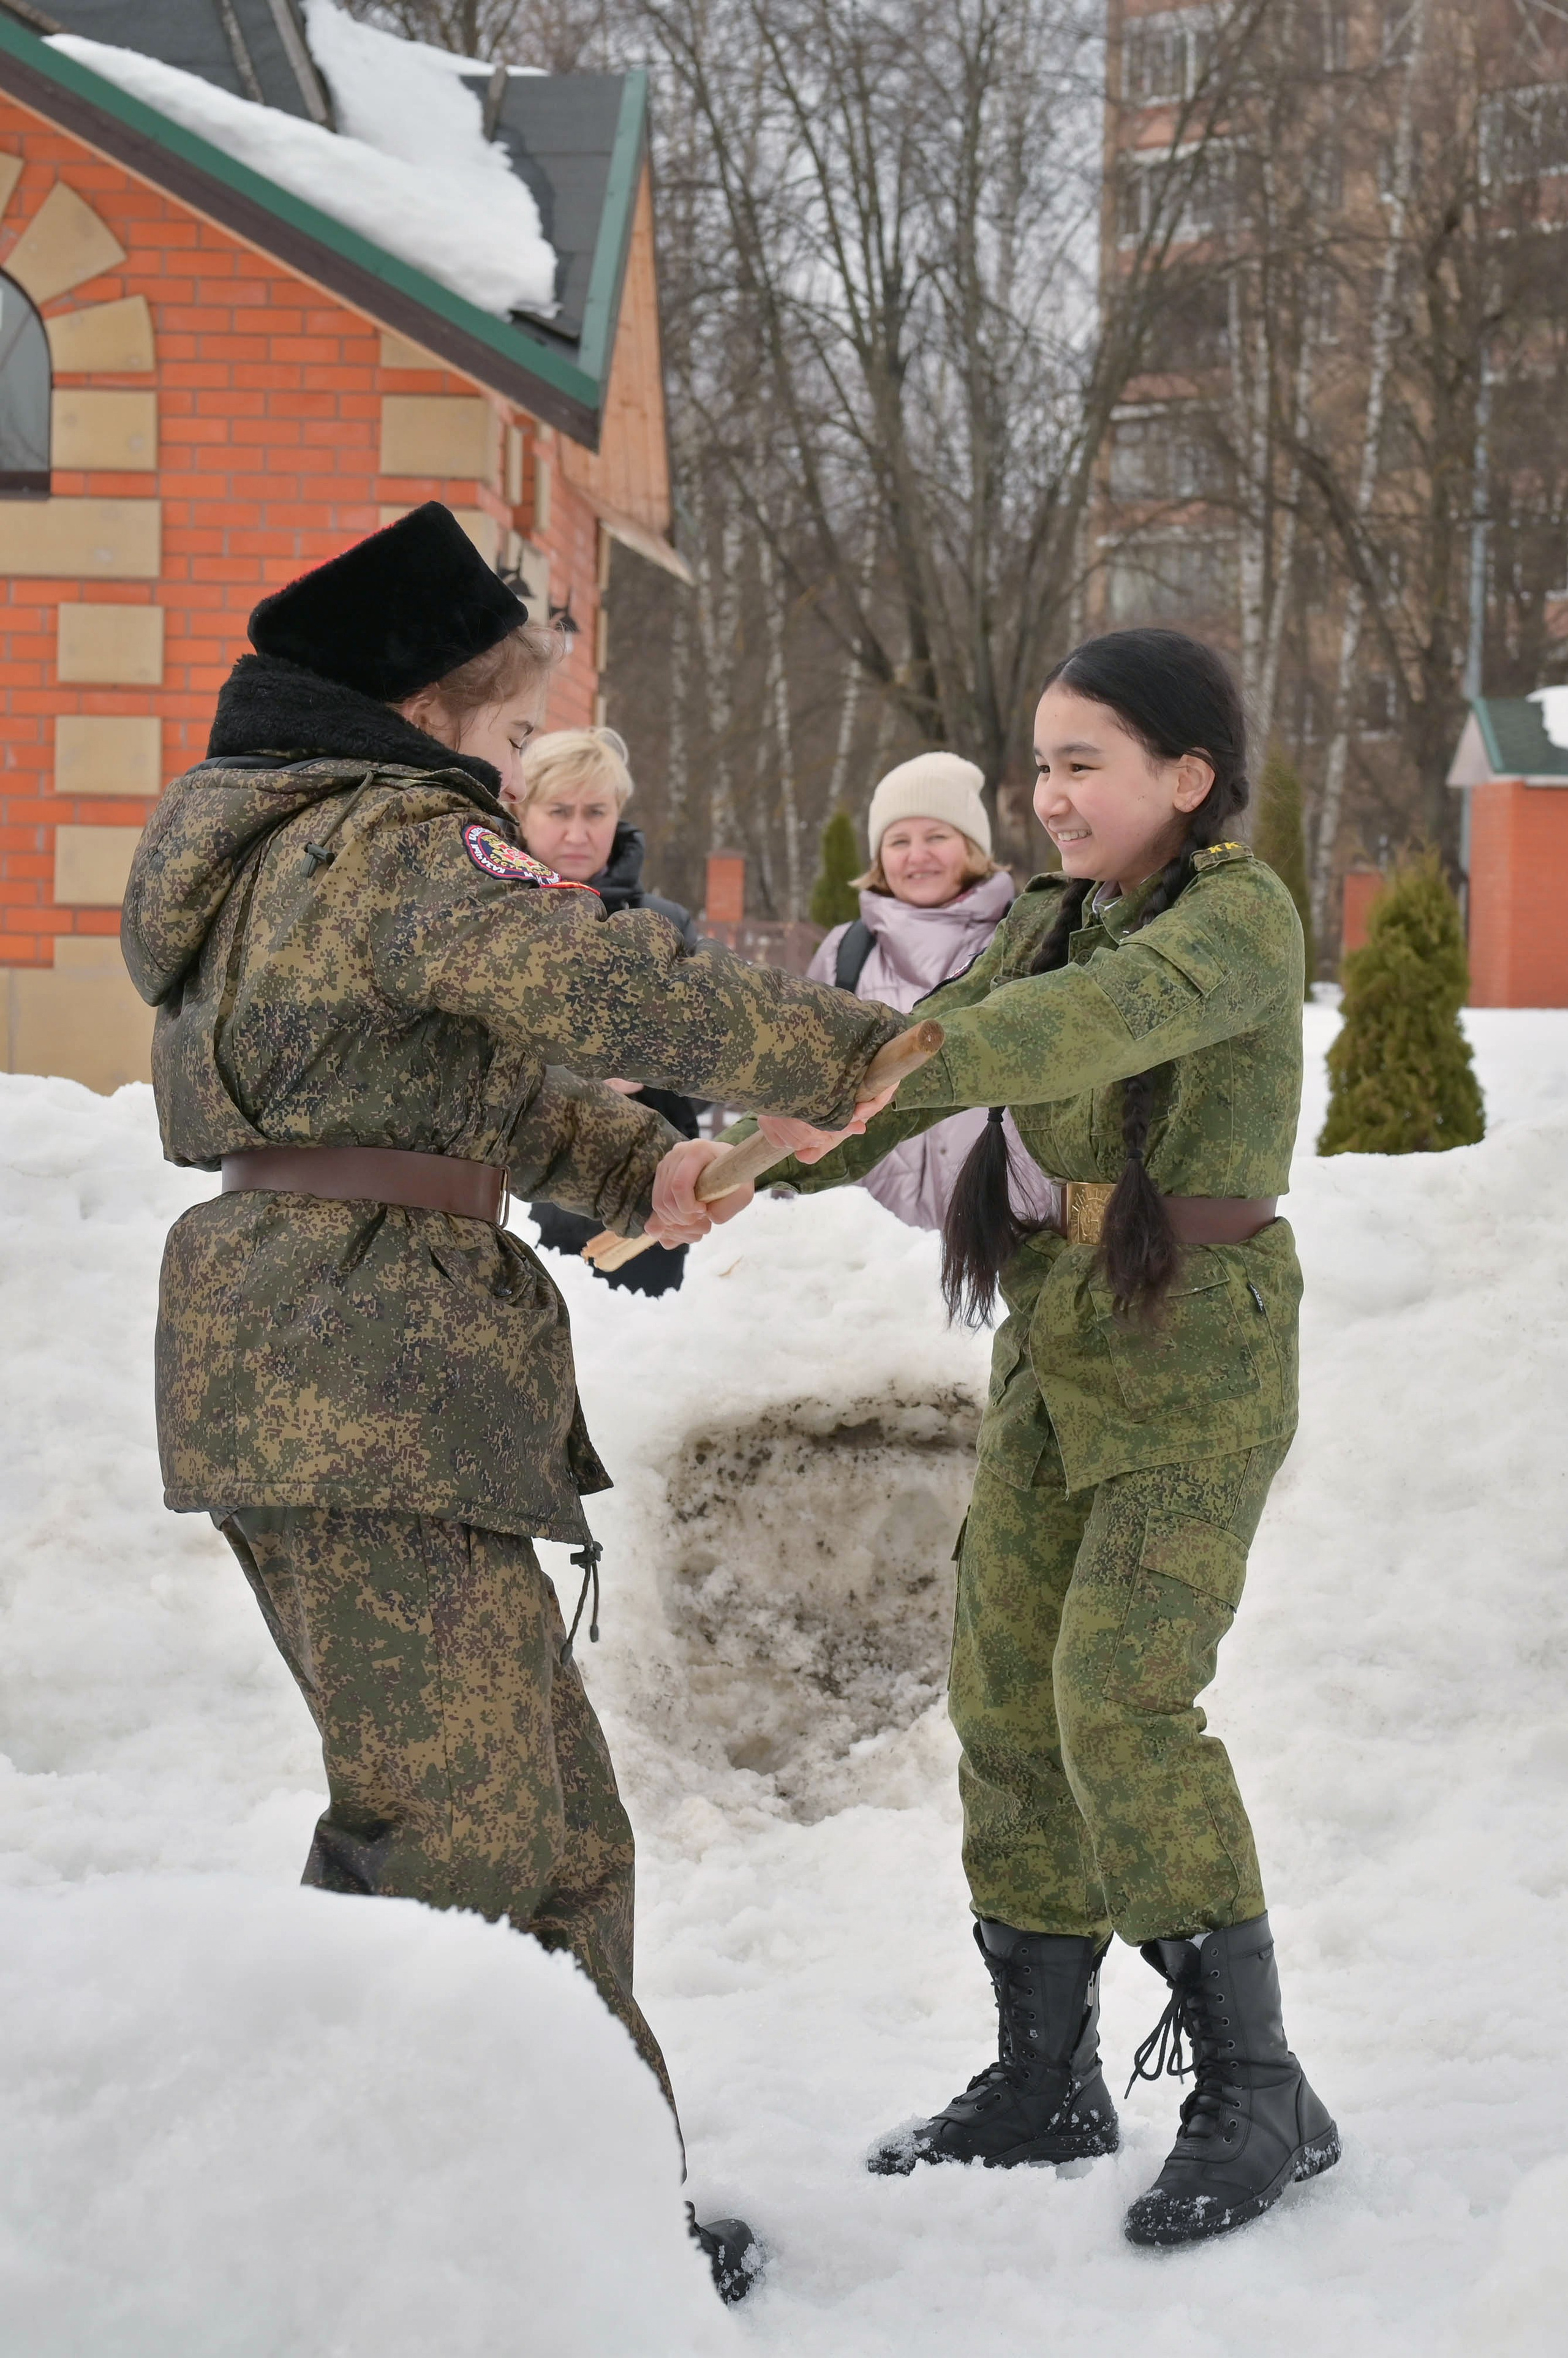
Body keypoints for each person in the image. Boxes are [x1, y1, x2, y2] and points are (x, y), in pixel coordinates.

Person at [119, 503, 902, 2300]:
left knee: (546, 1818)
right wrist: (846, 1050)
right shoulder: (378, 835)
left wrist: (652, 1161)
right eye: (494, 722)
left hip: (358, 1346)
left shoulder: (304, 857)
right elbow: (581, 966)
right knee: (453, 1827)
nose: (509, 761)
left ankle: (587, 2208)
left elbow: (454, 1084)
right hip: (350, 1353)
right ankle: (340, 2211)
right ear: (419, 701)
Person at [736, 629, 1337, 2249]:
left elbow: (1089, 1027)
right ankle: (1044, 2074)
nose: (1046, 794)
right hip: (1063, 1324)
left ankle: (1258, 2085)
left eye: (1083, 762)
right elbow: (916, 1091)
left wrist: (920, 1042)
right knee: (1004, 1690)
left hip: (1200, 1339)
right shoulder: (1057, 917)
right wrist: (727, 1172)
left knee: (1120, 1698)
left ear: (1186, 777)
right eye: (1041, 762)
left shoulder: (1238, 916)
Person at [807, 753, 1052, 1231]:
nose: (917, 855)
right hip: (871, 1247)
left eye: (937, 837)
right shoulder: (845, 952)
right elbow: (803, 1082)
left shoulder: (1029, 941)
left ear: (974, 848)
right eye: (899, 841)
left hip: (1007, 1233)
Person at [502, 726, 701, 1298]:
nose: (578, 832)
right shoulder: (490, 917)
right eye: (559, 810)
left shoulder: (667, 924)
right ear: (522, 810)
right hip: (518, 1189)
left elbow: (716, 1055)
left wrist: (649, 1065)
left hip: (644, 1191)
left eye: (596, 811)